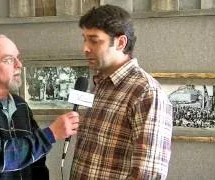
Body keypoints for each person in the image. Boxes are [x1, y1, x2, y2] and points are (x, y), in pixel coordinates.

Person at [0, 34, 79, 179]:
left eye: (18, 58)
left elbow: (37, 161)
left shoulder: (20, 104)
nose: (19, 65)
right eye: (9, 59)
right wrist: (51, 134)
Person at [70, 4, 173, 180]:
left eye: (94, 40)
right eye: (84, 39)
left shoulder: (146, 92)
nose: (85, 48)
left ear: (120, 42)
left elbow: (147, 175)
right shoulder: (98, 85)